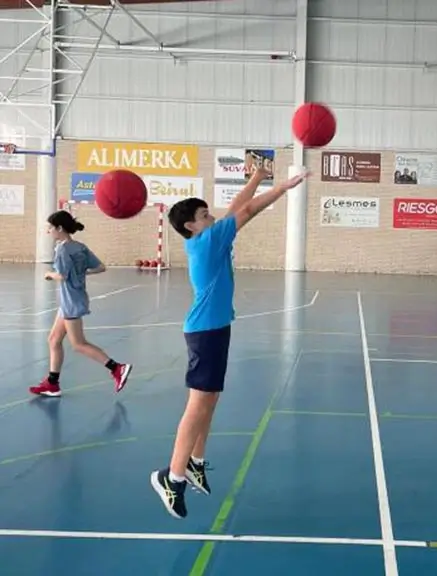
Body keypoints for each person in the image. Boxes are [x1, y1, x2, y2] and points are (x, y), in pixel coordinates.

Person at [150, 166, 310, 519]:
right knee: (197, 405)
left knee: (210, 401)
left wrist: (257, 177)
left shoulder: (209, 235)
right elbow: (247, 211)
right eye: (204, 214)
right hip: (205, 331)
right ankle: (171, 479)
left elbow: (236, 208)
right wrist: (283, 186)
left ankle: (195, 462)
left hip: (215, 328)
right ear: (191, 224)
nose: (212, 217)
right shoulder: (207, 241)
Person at [29, 210, 132, 398]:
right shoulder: (80, 247)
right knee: (53, 339)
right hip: (74, 298)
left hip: (70, 301)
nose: (48, 231)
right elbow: (100, 267)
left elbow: (61, 276)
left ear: (59, 228)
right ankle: (52, 383)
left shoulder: (62, 249)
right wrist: (81, 274)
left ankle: (117, 368)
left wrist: (49, 275)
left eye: (50, 228)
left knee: (78, 344)